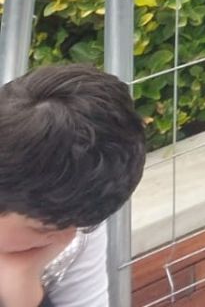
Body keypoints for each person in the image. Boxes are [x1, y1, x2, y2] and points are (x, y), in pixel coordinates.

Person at [0, 64, 147, 307]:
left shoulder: (69, 208)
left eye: (83, 227)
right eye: (40, 229)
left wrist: (22, 288)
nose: (65, 240)